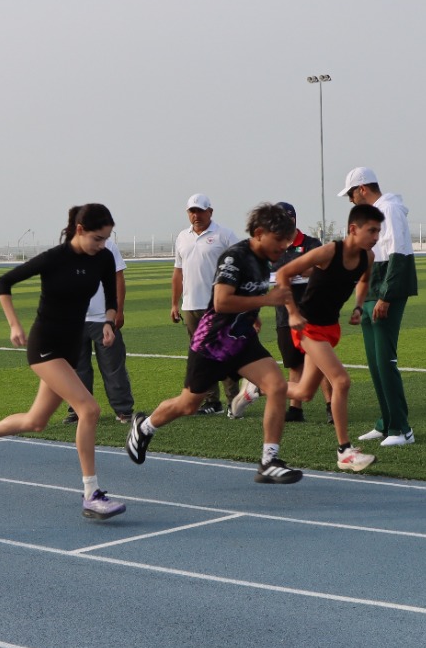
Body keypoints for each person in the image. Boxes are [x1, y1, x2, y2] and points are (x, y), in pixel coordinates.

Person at [0, 204, 127, 520]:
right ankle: (91, 494)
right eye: (97, 238)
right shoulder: (54, 258)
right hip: (45, 346)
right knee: (89, 409)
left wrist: (108, 321)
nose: (102, 244)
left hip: (69, 349)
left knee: (36, 421)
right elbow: (4, 282)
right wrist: (14, 325)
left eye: (106, 239)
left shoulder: (102, 258)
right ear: (80, 230)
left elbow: (111, 296)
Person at [127, 203, 303, 484]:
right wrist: (266, 300)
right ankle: (144, 426)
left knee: (277, 386)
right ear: (259, 233)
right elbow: (221, 302)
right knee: (189, 405)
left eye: (286, 240)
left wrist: (257, 314)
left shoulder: (264, 259)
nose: (284, 246)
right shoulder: (235, 257)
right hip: (213, 343)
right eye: (279, 239)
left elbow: (251, 293)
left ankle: (269, 461)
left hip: (242, 340)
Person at [231, 203, 383, 471]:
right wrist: (291, 313)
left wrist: (359, 306)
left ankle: (255, 389)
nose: (376, 236)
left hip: (329, 327)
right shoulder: (328, 252)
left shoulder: (367, 257)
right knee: (341, 380)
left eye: (378, 231)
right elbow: (283, 273)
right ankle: (344, 451)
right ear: (353, 229)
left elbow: (363, 280)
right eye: (371, 230)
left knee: (304, 392)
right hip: (307, 326)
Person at [340, 167, 418, 447]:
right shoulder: (373, 214)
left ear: (362, 188)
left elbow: (399, 253)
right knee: (375, 363)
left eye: (351, 193)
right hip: (372, 290)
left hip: (386, 291)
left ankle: (402, 429)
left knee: (385, 361)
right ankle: (386, 423)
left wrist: (385, 296)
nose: (350, 200)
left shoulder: (390, 209)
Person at [171, 193, 241, 413]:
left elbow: (241, 266)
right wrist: (175, 303)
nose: (196, 215)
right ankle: (212, 401)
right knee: (201, 356)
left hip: (218, 305)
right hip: (191, 306)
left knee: (224, 352)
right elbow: (178, 272)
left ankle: (234, 402)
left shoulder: (225, 235)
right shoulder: (182, 237)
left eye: (200, 211)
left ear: (210, 211)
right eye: (192, 211)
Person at [63, 231, 134, 425]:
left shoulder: (108, 246)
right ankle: (78, 409)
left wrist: (118, 310)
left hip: (104, 318)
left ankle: (123, 410)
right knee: (77, 368)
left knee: (113, 366)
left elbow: (118, 278)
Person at [269, 203, 322, 422]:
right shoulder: (272, 248)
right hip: (285, 315)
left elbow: (322, 266)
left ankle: (331, 407)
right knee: (294, 364)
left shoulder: (311, 243)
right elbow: (268, 277)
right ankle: (295, 409)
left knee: (320, 362)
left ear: (294, 219)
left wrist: (299, 270)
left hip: (313, 312)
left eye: (287, 218)